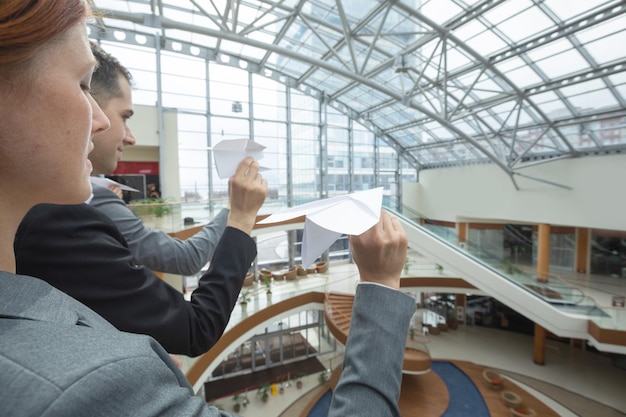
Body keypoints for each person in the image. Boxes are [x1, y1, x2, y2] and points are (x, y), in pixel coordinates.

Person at [0, 2, 414, 416]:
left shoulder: (39, 256)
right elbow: (192, 311)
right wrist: (378, 285)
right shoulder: (89, 382)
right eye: (82, 84)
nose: (108, 125)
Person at [14, 47, 256, 356]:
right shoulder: (64, 220)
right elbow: (196, 326)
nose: (129, 137)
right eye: (82, 89)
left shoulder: (39, 219)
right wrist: (240, 214)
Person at [87, 41, 228, 276]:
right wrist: (235, 209)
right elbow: (187, 259)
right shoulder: (91, 196)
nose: (131, 138)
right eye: (124, 117)